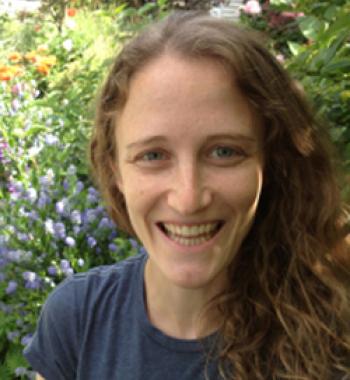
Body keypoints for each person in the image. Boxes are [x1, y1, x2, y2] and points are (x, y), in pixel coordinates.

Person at [24, 11, 350, 380]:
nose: (189, 198)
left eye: (224, 152)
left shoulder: (336, 332)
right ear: (115, 168)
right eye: (153, 156)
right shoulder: (78, 320)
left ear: (272, 162)